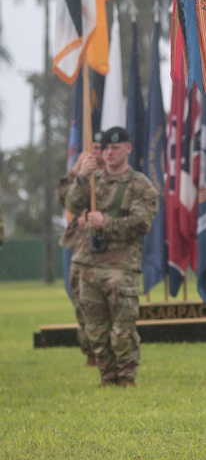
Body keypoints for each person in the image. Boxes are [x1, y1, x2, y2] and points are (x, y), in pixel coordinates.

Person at [65, 127, 159, 387]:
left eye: (115, 147)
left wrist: (105, 222)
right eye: (105, 148)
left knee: (122, 328)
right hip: (90, 264)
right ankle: (107, 378)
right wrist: (82, 178)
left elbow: (142, 222)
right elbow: (72, 205)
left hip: (121, 265)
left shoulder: (140, 184)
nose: (109, 152)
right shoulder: (94, 180)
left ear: (128, 148)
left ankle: (126, 378)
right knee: (95, 330)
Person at [59, 131, 105, 368]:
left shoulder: (112, 176)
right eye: (92, 148)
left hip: (108, 250)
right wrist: (76, 171)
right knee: (82, 302)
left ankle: (109, 352)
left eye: (100, 147)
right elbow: (63, 200)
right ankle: (90, 352)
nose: (96, 153)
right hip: (80, 248)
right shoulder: (80, 174)